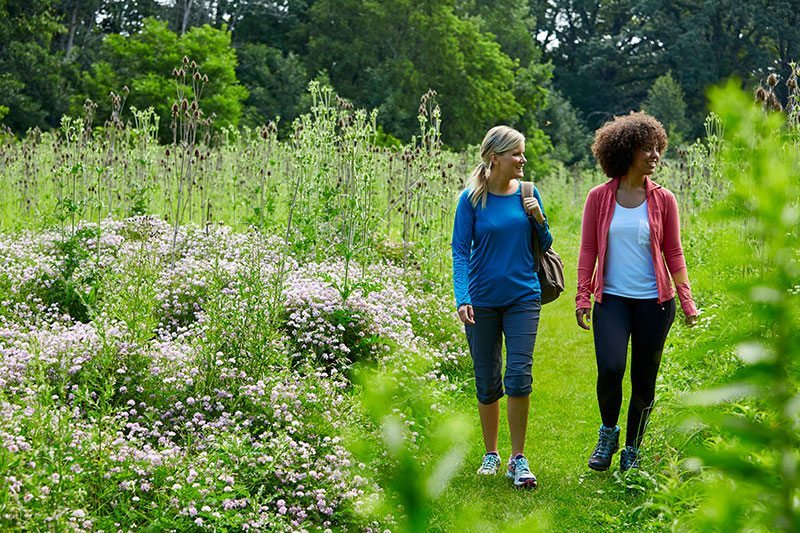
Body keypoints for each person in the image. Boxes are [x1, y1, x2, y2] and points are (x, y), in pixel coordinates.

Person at [576, 112, 698, 472]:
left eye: (658, 148)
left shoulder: (665, 200)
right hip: (611, 299)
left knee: (644, 377)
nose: (655, 155)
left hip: (655, 304)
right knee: (611, 369)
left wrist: (687, 301)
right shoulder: (599, 198)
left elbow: (673, 252)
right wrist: (583, 295)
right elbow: (587, 250)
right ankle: (608, 433)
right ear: (627, 151)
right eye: (648, 149)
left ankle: (632, 449)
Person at [452, 125, 552, 488]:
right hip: (481, 300)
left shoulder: (528, 193)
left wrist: (539, 217)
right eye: (517, 154)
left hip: (524, 296)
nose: (523, 160)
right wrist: (461, 297)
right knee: (487, 378)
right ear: (495, 158)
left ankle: (518, 459)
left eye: (522, 153)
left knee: (519, 376)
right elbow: (460, 252)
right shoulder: (471, 200)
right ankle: (491, 452)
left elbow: (547, 241)